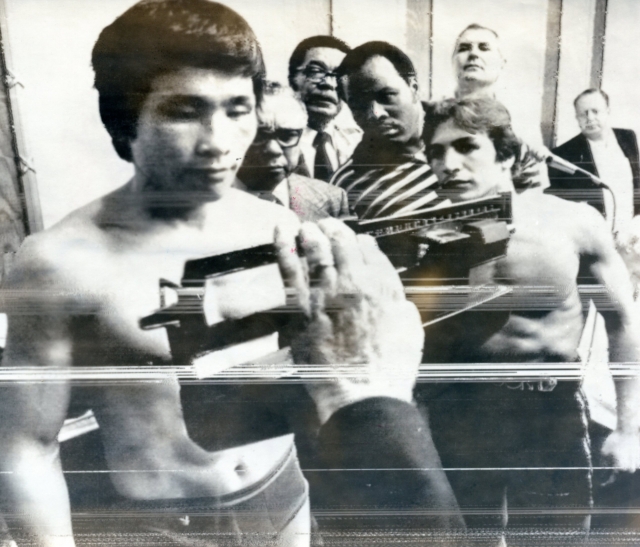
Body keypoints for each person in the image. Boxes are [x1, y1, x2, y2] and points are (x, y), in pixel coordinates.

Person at [0, 2, 462, 546]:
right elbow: (27, 446)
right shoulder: (58, 261)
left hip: (285, 500)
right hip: (164, 524)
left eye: (238, 108)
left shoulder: (278, 227)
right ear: (126, 117)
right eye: (184, 111)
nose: (219, 140)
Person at [417, 96, 640, 537]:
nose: (448, 163)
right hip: (460, 414)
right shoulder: (424, 235)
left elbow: (624, 322)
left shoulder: (572, 222)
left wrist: (628, 427)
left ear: (506, 153)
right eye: (437, 152)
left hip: (547, 410)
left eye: (466, 147)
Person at [331, 41, 441, 220]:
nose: (376, 113)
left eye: (386, 96)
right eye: (359, 105)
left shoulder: (469, 140)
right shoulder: (345, 184)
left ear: (414, 88)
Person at [452, 23, 549, 190]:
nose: (473, 53)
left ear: (501, 62)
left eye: (484, 48)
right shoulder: (430, 115)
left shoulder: (521, 119)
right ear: (453, 62)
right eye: (464, 48)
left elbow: (534, 188)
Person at [236, 82, 349, 222]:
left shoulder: (333, 200)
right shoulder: (205, 201)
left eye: (287, 136)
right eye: (258, 136)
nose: (273, 149)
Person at [547, 88, 640, 236]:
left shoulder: (628, 137)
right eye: (583, 114)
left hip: (632, 233)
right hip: (596, 239)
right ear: (577, 118)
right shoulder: (564, 154)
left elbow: (637, 181)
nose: (589, 118)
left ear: (608, 111)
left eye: (595, 111)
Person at [288, 36, 362, 182]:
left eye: (339, 76)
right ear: (292, 78)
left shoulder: (358, 143)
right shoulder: (271, 143)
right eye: (316, 71)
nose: (329, 83)